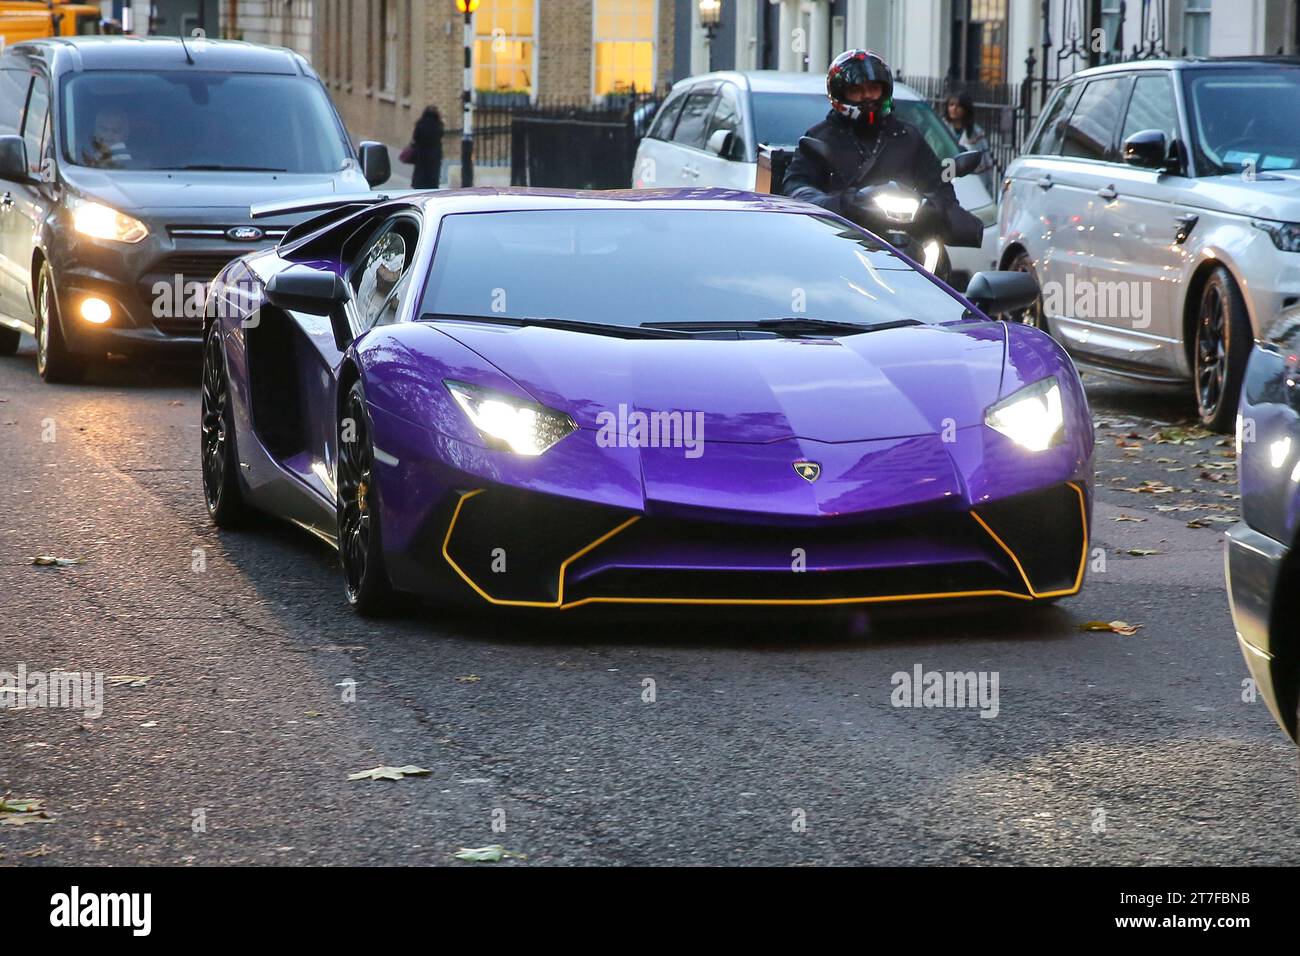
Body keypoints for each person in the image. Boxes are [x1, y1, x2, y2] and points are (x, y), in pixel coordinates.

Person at [782, 49, 960, 233]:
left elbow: (941, 188)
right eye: (857, 90)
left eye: (874, 88)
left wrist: (931, 207)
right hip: (840, 238)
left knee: (941, 260)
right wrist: (842, 203)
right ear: (841, 94)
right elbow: (796, 188)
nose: (867, 96)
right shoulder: (820, 137)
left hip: (907, 238)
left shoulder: (908, 136)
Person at [944, 93, 994, 189]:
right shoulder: (940, 128)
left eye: (958, 106)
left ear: (965, 109)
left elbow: (985, 162)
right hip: (946, 180)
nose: (954, 109)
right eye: (951, 105)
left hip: (970, 183)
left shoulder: (977, 133)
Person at [406, 106, 444, 190]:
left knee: (420, 173)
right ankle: (432, 186)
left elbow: (415, 137)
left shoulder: (420, 124)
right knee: (433, 174)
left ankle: (419, 185)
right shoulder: (438, 125)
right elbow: (441, 136)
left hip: (421, 154)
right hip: (434, 155)